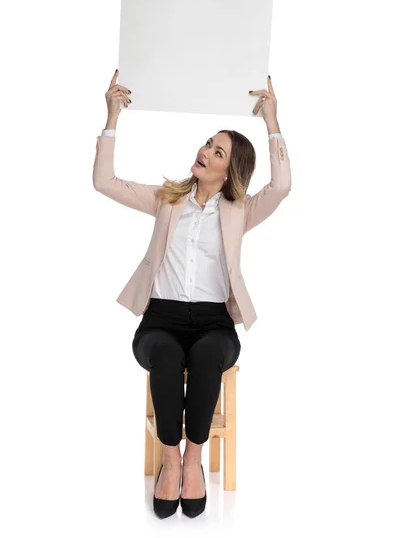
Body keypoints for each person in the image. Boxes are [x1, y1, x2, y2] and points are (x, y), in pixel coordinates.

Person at [93, 69, 291, 518]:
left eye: (217, 151)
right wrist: (112, 117)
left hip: (214, 322)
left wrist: (272, 121)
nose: (204, 151)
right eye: (208, 143)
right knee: (165, 354)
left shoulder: (241, 210)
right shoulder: (167, 198)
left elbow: (281, 186)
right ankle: (168, 463)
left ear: (229, 169)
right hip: (160, 319)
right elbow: (105, 183)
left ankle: (193, 462)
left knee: (205, 357)